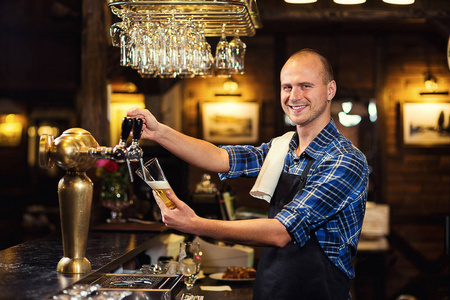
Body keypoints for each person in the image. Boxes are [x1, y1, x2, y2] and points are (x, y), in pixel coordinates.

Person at [127, 48, 369, 300]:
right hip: (272, 290)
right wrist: (158, 133)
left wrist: (195, 224)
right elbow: (221, 158)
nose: (294, 96)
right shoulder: (281, 148)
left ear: (330, 90)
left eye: (305, 86)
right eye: (287, 87)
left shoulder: (345, 160)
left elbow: (280, 231)